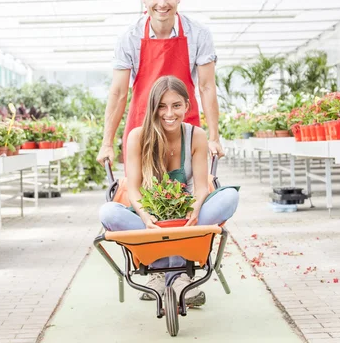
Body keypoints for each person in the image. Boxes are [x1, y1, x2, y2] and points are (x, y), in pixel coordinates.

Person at [99, 76, 239, 307]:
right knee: (108, 213)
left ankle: (173, 274)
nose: (169, 113)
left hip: (187, 220)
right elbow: (133, 189)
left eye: (176, 105)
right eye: (161, 106)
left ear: (187, 105)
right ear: (153, 108)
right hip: (150, 221)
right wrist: (145, 215)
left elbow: (202, 186)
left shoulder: (196, 136)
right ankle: (165, 270)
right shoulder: (138, 136)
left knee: (230, 196)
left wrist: (194, 209)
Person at [96, 0, 224, 166]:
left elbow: (207, 87)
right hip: (143, 127)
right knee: (141, 192)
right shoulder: (129, 38)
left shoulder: (199, 34)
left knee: (186, 191)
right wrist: (107, 143)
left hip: (184, 126)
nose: (162, 3)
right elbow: (119, 93)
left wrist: (214, 138)